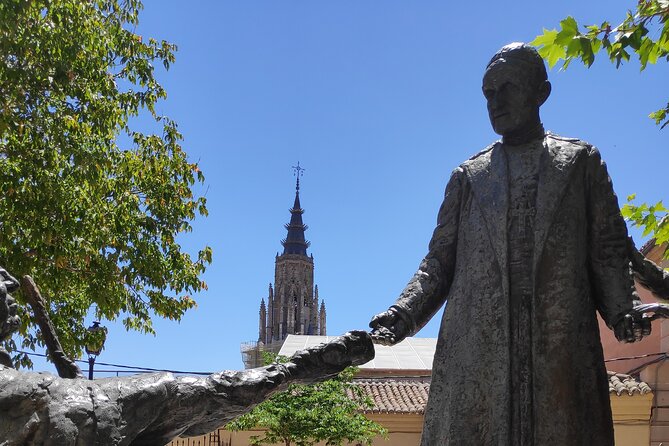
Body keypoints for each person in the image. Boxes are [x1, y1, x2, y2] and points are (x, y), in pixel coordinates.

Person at [370, 42, 649, 445]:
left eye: (507, 88)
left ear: (541, 92)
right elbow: (438, 263)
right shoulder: (468, 176)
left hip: (557, 343)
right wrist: (402, 313)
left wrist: (623, 310)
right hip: (478, 346)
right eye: (488, 92)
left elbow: (607, 249)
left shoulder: (580, 162)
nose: (495, 101)